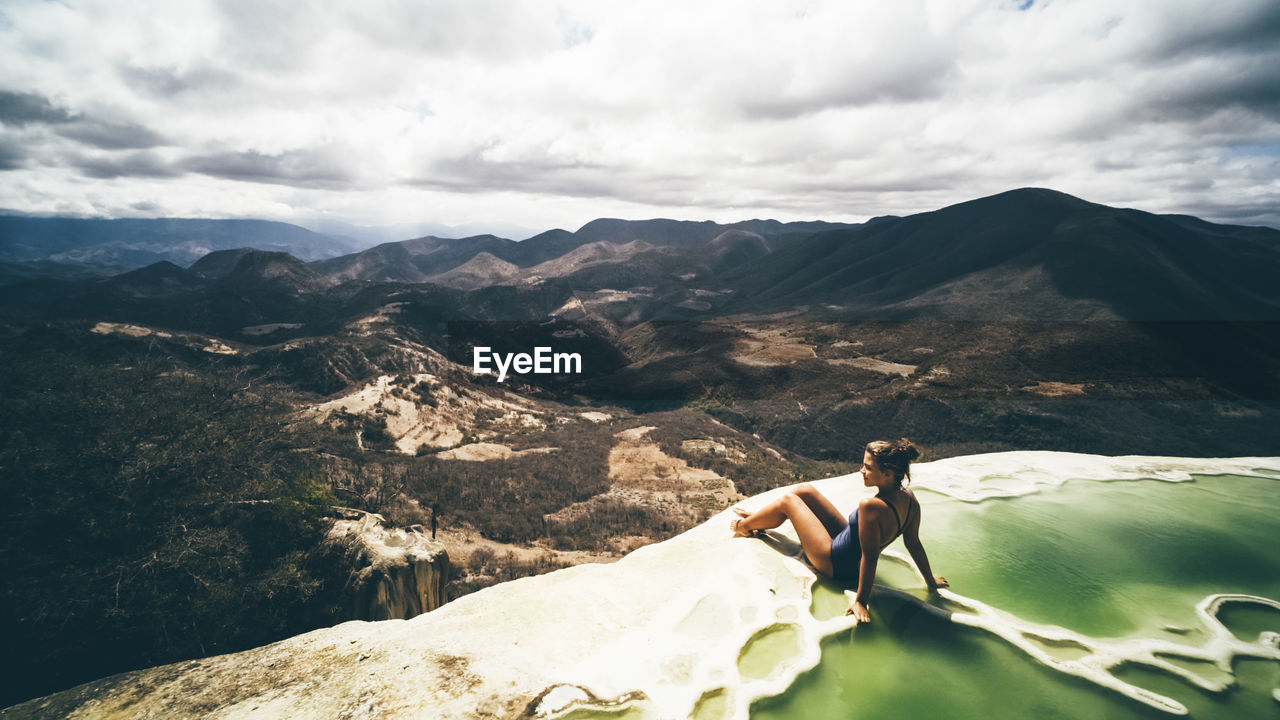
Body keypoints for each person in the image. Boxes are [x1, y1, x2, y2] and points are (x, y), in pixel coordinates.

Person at [730, 438, 948, 623]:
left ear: (888, 474)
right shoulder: (910, 500)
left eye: (868, 468)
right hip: (846, 543)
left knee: (789, 501)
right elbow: (914, 544)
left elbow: (870, 558)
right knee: (804, 490)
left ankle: (743, 527)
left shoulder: (871, 506)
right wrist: (930, 580)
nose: (861, 471)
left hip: (833, 562)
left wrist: (861, 601)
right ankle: (760, 519)